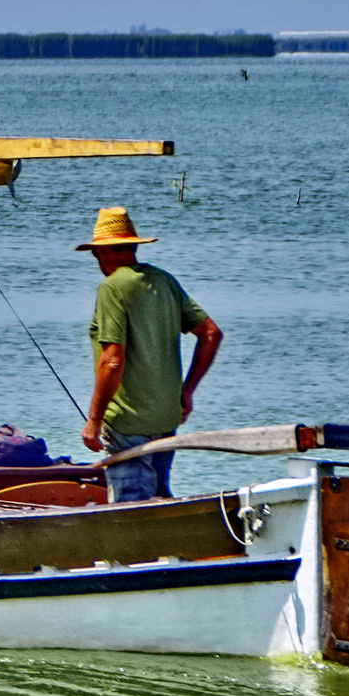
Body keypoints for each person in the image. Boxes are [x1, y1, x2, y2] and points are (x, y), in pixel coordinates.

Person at [76, 207, 222, 502]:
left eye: (96, 254)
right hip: (166, 416)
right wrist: (187, 390)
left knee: (131, 510)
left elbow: (112, 359)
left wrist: (93, 420)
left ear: (105, 253)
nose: (97, 261)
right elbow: (210, 334)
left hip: (127, 422)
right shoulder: (164, 280)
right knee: (158, 498)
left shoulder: (112, 287)